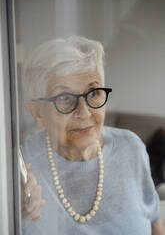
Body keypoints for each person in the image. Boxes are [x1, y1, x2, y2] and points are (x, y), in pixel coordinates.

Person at [21, 36, 165, 234]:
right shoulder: (22, 162)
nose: (85, 112)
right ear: (37, 112)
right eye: (64, 97)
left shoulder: (130, 147)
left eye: (94, 92)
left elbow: (155, 225)